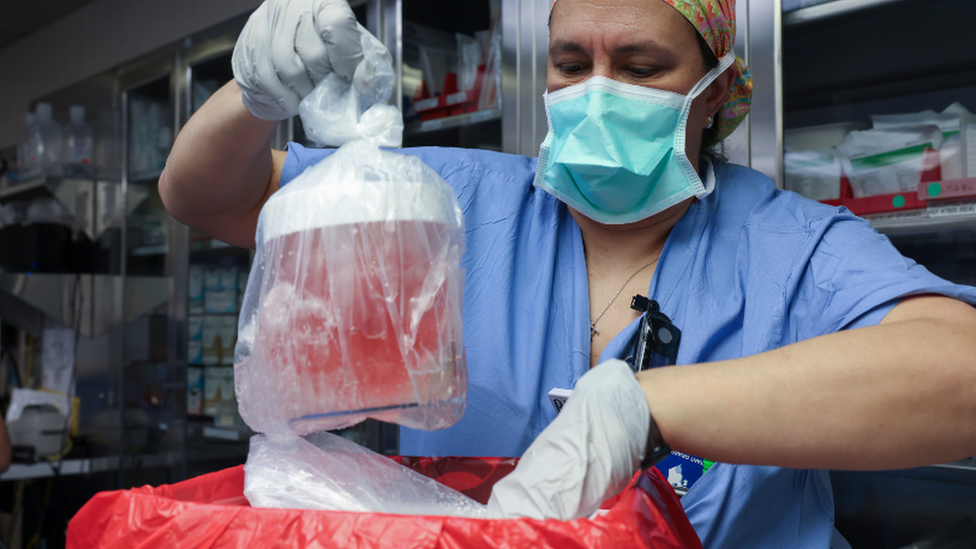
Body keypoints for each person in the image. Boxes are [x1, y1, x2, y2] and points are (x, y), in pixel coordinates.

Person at [159, 0, 976, 546]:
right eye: (570, 62)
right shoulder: (453, 200)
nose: (596, 91)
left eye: (641, 66)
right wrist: (253, 94)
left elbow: (961, 373)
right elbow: (207, 197)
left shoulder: (791, 246)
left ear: (717, 88)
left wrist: (643, 404)